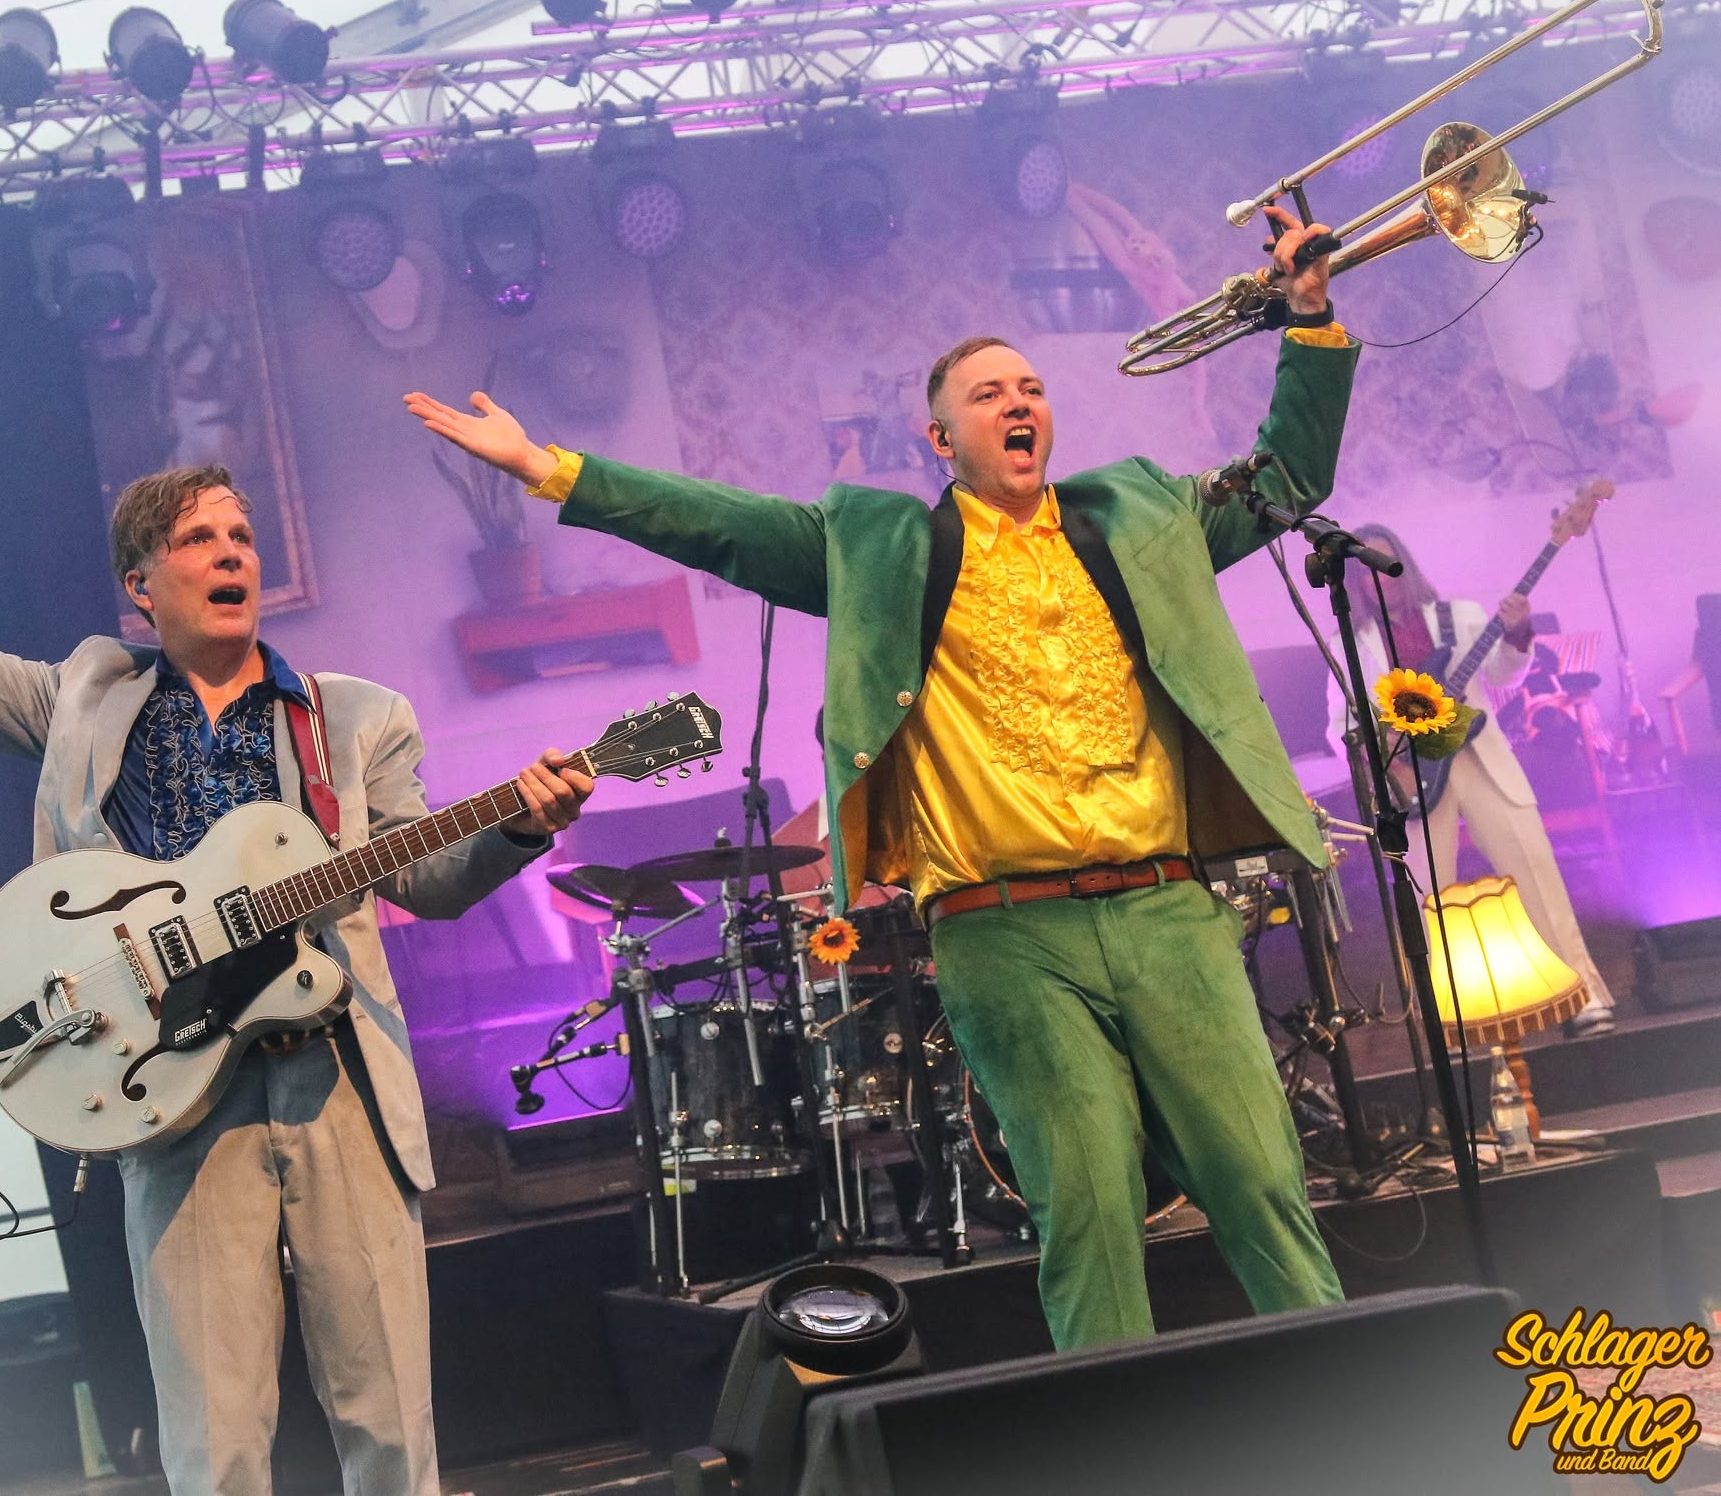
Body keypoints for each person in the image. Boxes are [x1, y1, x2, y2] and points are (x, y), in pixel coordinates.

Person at [408, 208, 1355, 1350]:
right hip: (1006, 933)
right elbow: (718, 524)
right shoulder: (882, 549)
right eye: (989, 393)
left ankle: (1346, 1403)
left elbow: (1287, 479)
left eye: (1031, 388)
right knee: (1090, 1214)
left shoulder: (1140, 514)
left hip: (1166, 906)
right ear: (938, 435)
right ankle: (1120, 1426)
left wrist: (1307, 319)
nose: (1018, 402)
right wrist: (550, 467)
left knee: (1262, 1184)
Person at [0, 404, 594, 1496]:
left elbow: (424, 877)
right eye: (200, 539)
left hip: (333, 1083)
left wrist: (517, 828)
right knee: (214, 1448)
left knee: (391, 1432)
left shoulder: (354, 720)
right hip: (167, 1097)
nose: (231, 553)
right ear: (141, 585)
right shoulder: (81, 699)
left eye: (242, 537)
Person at [1349, 524, 1616, 1037]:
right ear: (1358, 583)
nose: (1381, 577)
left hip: (1482, 758)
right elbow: (1341, 719)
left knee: (1536, 874)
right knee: (1427, 899)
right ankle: (1448, 1022)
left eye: (1386, 563)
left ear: (1404, 564)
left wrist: (1518, 633)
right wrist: (1386, 746)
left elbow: (1503, 675)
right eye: (1368, 571)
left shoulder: (1460, 616)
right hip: (1415, 775)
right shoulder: (1355, 645)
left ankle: (1582, 998)